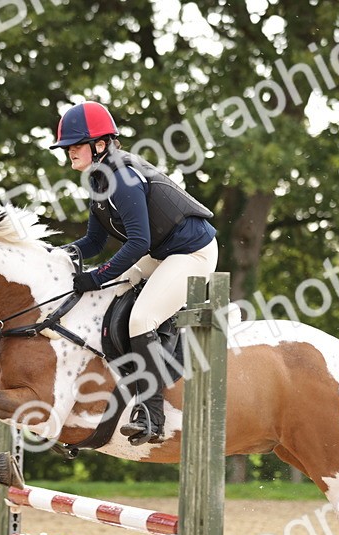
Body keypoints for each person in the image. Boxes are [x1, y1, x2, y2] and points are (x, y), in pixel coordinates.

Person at [51, 100, 218, 445]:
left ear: (100, 144)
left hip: (193, 254)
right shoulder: (98, 181)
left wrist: (95, 277)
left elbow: (138, 240)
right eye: (68, 146)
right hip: (161, 254)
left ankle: (152, 416)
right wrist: (56, 256)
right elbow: (94, 243)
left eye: (76, 144)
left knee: (140, 319)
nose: (69, 152)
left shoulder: (122, 179)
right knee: (100, 298)